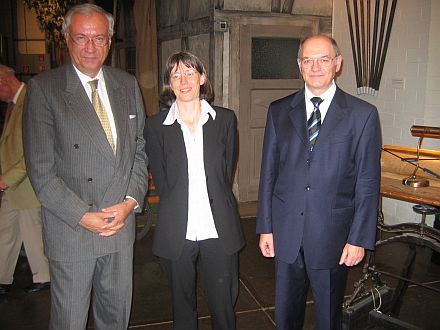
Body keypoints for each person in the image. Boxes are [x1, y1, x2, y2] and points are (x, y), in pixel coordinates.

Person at [22, 4, 148, 329]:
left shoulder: (127, 85)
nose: (91, 47)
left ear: (109, 41)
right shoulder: (45, 90)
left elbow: (139, 150)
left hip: (119, 227)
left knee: (115, 319)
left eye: (99, 38)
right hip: (73, 230)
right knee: (69, 322)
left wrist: (131, 202)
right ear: (67, 40)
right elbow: (41, 171)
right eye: (82, 37)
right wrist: (83, 216)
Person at [256, 34, 381, 329]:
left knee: (328, 318)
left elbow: (367, 182)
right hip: (286, 234)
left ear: (337, 64)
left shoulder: (362, 116)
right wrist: (266, 228)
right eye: (308, 60)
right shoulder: (278, 111)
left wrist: (358, 238)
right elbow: (269, 175)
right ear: (299, 65)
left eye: (323, 59)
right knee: (286, 317)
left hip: (333, 237)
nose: (315, 67)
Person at [145, 51, 244, 330]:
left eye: (190, 72)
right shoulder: (155, 127)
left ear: (202, 77)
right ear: (169, 83)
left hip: (218, 227)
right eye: (176, 75)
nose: (183, 80)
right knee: (182, 306)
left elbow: (225, 172)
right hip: (178, 228)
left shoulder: (225, 120)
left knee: (223, 306)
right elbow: (163, 182)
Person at [0, 64, 50, 295]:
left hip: (26, 183)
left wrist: (6, 179)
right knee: (7, 231)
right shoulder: (15, 104)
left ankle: (44, 277)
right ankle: (3, 278)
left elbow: (34, 150)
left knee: (31, 233)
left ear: (4, 82)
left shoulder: (31, 99)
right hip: (15, 184)